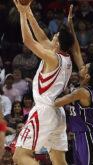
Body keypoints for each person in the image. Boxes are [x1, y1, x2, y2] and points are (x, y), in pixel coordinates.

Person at [13, 1, 74, 165]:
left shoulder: (53, 58)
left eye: (54, 37)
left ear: (58, 44)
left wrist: (22, 14)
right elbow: (40, 37)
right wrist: (28, 10)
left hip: (44, 110)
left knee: (19, 156)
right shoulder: (65, 58)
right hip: (58, 113)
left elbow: (28, 41)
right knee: (59, 161)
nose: (51, 38)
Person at [54, 5, 93, 165]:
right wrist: (71, 25)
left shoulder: (82, 92)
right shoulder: (85, 86)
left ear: (87, 76)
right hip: (79, 136)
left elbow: (57, 103)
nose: (82, 66)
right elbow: (76, 51)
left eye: (85, 67)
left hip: (87, 136)